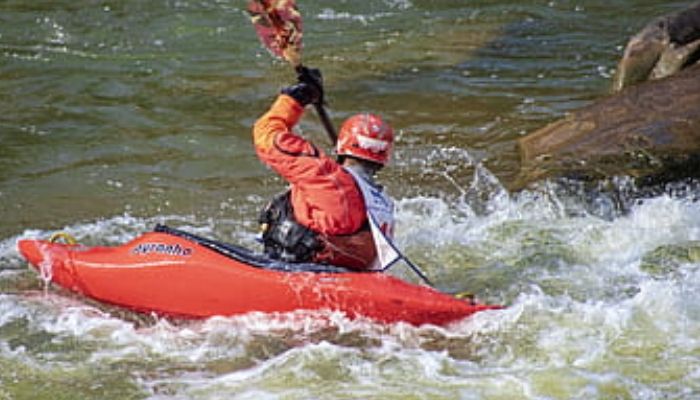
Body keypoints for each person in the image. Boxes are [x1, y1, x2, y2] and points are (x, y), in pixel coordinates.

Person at [253, 68, 396, 271]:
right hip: (344, 275)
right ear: (382, 161)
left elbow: (266, 135)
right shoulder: (382, 203)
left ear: (342, 146)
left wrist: (294, 99)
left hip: (296, 270)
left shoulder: (325, 176)